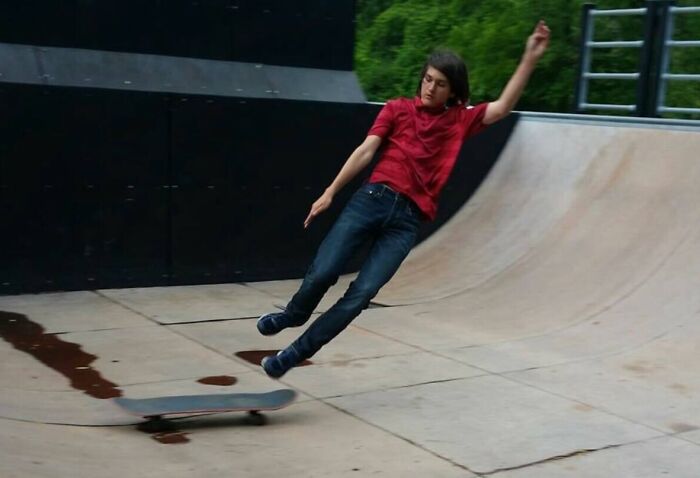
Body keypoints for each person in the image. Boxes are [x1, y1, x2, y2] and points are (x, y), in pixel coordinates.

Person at [257, 21, 551, 378]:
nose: (430, 88)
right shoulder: (397, 109)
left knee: (361, 294)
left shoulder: (460, 121)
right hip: (372, 199)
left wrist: (530, 58)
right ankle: (293, 314)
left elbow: (502, 107)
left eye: (440, 84)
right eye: (427, 79)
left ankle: (291, 356)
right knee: (324, 272)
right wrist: (330, 191)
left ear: (453, 91)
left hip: (406, 222)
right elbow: (367, 150)